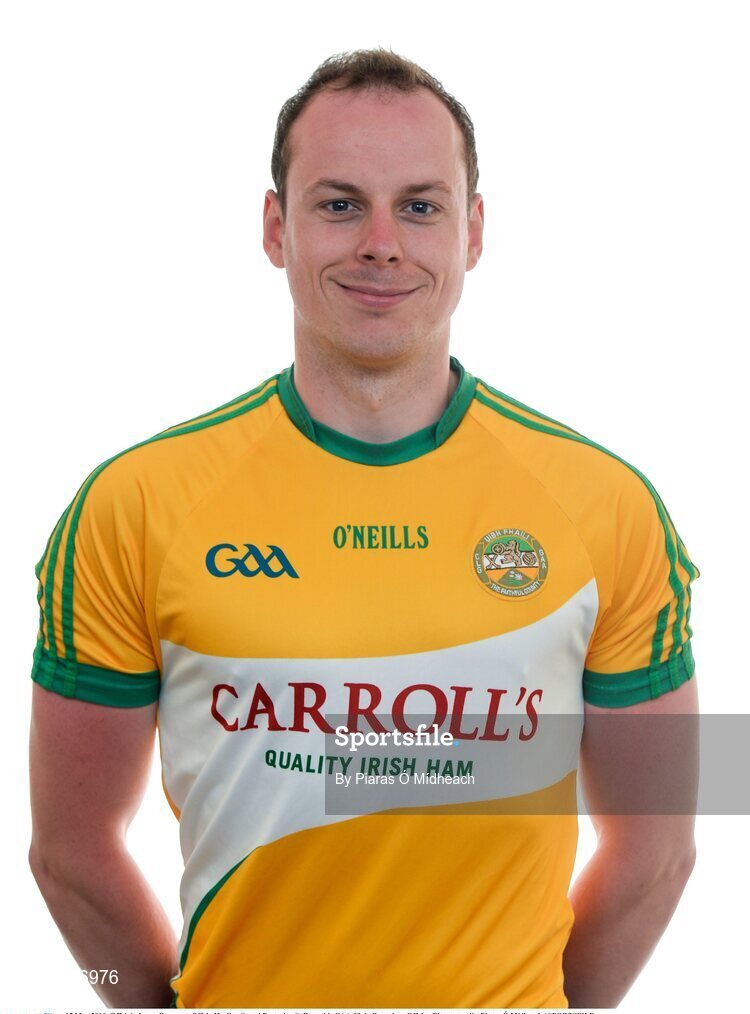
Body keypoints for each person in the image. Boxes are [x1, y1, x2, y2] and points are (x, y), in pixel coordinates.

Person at [27, 47, 700, 1010]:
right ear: (276, 227)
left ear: (472, 232)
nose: (382, 241)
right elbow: (67, 854)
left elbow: (663, 849)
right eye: (341, 203)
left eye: (420, 205)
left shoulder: (608, 505)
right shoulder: (134, 505)